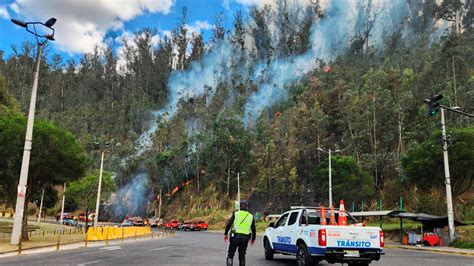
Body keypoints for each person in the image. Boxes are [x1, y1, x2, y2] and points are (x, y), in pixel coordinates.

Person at [224, 200, 256, 266]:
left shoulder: (235, 214)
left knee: (230, 254)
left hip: (235, 237)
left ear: (240, 206)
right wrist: (253, 239)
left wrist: (225, 234)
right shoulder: (251, 216)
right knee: (242, 256)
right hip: (245, 238)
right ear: (247, 207)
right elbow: (253, 229)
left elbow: (229, 224)